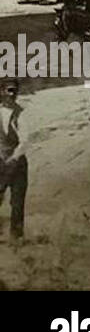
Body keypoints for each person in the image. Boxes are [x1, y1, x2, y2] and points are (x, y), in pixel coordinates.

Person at [0, 79, 26, 241]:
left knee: (17, 203)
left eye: (14, 91)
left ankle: (17, 237)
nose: (12, 95)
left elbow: (25, 140)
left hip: (17, 163)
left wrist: (14, 158)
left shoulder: (21, 113)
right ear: (1, 92)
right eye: (9, 90)